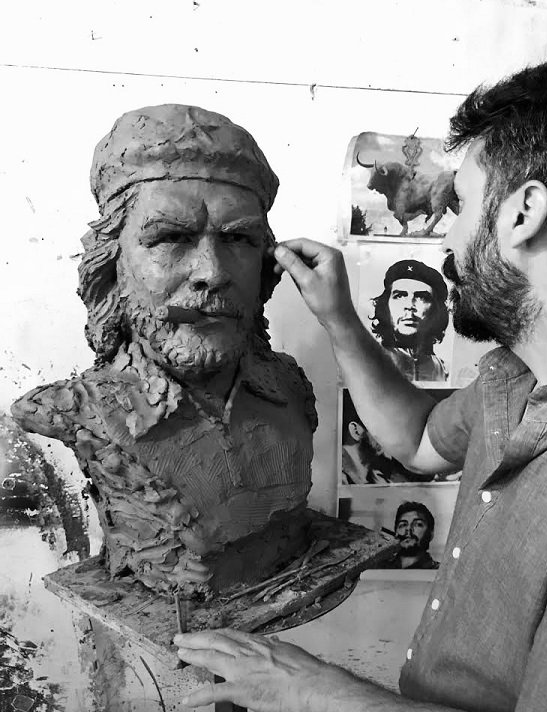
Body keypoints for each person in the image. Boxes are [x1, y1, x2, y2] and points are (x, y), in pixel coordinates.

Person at [175, 55, 547, 712]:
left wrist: (304, 687)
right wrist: (339, 319)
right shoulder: (514, 375)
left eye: (461, 205)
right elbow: (414, 438)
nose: (447, 238)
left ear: (523, 213)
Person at [11, 105, 318, 598]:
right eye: (171, 238)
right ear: (112, 263)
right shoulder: (81, 412)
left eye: (238, 239)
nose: (211, 272)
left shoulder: (291, 389)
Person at [369, 259, 449, 382]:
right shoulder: (369, 360)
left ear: (436, 310)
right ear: (386, 306)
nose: (409, 305)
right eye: (400, 296)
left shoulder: (440, 368)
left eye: (421, 297)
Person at [386, 501, 440, 569]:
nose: (408, 529)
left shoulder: (441, 571)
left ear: (431, 534)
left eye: (418, 524)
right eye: (403, 525)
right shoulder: (379, 568)